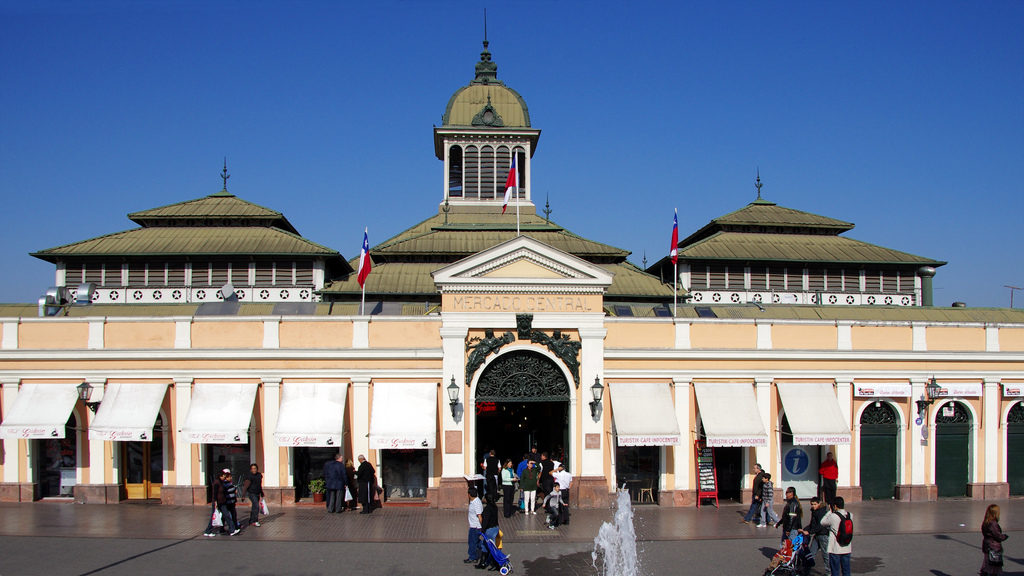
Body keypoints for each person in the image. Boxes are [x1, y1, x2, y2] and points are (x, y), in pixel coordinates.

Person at [800, 497, 832, 576]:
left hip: (823, 535)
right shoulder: (815, 511)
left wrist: (809, 531)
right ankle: (806, 571)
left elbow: (820, 526)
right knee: (811, 553)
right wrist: (804, 529)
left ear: (819, 504)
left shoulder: (821, 512)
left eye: (815, 504)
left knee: (825, 556)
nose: (813, 506)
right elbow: (812, 524)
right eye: (812, 504)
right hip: (817, 535)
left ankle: (829, 573)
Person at [821, 496, 852, 576]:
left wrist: (830, 511)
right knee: (846, 571)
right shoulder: (850, 515)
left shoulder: (833, 516)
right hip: (847, 547)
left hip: (835, 549)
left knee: (835, 571)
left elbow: (822, 522)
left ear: (835, 506)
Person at [204, 469, 240, 536]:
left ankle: (232, 530)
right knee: (214, 516)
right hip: (218, 502)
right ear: (220, 476)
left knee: (226, 515)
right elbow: (214, 493)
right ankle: (208, 531)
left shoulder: (221, 482)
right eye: (223, 476)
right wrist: (215, 503)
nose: (224, 477)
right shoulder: (216, 482)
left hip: (222, 502)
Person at [980, 503, 1008, 576]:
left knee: (987, 564)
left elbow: (984, 533)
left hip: (986, 545)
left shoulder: (985, 522)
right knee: (994, 567)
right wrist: (1004, 536)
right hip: (993, 547)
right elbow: (997, 535)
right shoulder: (993, 523)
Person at [476, 494, 500, 570]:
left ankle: (495, 564)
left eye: (484, 498)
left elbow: (485, 521)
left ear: (487, 500)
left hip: (489, 530)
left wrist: (482, 530)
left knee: (490, 547)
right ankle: (483, 563)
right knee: (485, 546)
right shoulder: (495, 507)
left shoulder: (487, 509)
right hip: (495, 528)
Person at [463, 487, 484, 565]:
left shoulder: (476, 503)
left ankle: (472, 557)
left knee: (472, 542)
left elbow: (479, 516)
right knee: (476, 541)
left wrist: (481, 527)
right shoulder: (473, 501)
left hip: (475, 527)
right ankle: (484, 549)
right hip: (473, 525)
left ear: (469, 495)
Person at [222, 469, 240, 534]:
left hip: (232, 502)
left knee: (233, 515)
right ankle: (230, 528)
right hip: (228, 502)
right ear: (226, 477)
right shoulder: (225, 484)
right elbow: (226, 492)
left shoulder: (230, 483)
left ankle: (235, 527)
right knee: (227, 516)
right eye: (230, 477)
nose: (231, 478)